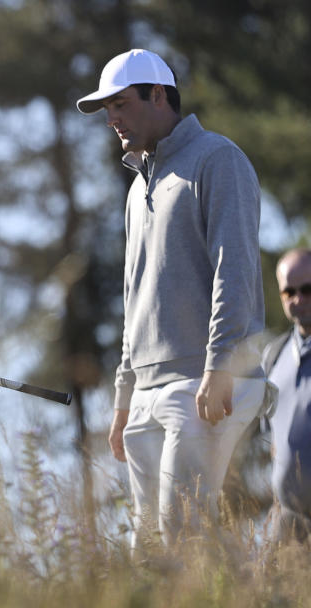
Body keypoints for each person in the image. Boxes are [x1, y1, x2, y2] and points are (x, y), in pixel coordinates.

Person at [76, 49, 269, 548]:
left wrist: (220, 364)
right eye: (106, 110)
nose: (112, 119)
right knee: (151, 549)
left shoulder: (217, 158)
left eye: (119, 104)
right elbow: (133, 294)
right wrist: (122, 400)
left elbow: (237, 269)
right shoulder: (136, 187)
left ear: (158, 94)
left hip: (202, 381)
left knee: (180, 540)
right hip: (146, 392)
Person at [263, 248, 311, 543]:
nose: (299, 299)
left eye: (308, 289)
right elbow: (273, 444)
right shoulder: (273, 356)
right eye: (289, 292)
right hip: (288, 528)